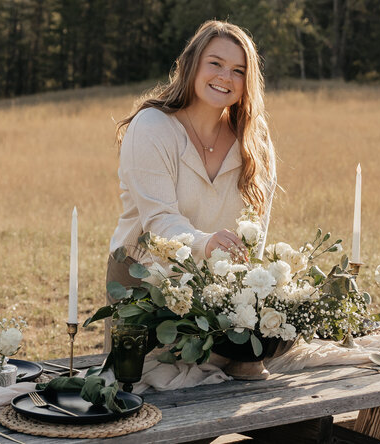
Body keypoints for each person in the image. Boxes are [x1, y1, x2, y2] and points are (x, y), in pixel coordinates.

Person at [107, 20, 277, 300]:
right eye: (215, 63)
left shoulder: (253, 139)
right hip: (143, 278)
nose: (225, 76)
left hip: (218, 284)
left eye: (238, 71)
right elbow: (159, 219)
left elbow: (256, 227)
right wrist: (205, 243)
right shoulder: (152, 127)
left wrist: (249, 290)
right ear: (191, 64)